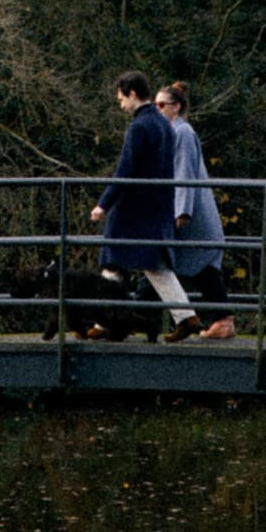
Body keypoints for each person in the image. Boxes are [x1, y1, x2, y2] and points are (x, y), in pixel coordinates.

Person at [91, 72, 203, 341]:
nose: (121, 106)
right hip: (157, 205)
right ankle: (186, 317)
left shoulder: (139, 127)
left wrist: (103, 204)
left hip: (133, 209)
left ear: (132, 95)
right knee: (153, 264)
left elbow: (125, 169)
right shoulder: (163, 124)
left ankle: (109, 322)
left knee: (113, 259)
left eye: (121, 100)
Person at [158, 81, 236, 339]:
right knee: (170, 262)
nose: (157, 110)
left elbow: (184, 172)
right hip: (187, 211)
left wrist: (182, 210)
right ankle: (218, 319)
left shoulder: (182, 133)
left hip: (192, 214)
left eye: (162, 105)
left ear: (176, 107)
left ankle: (222, 320)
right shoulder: (172, 133)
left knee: (193, 264)